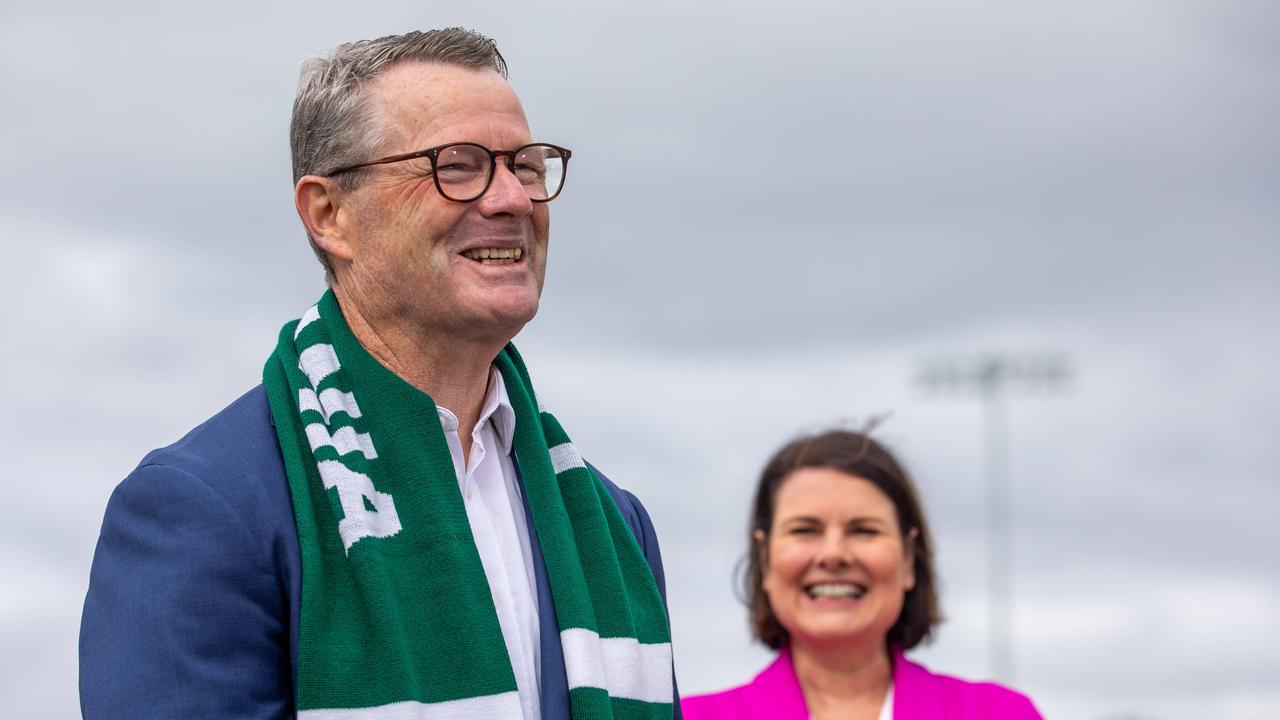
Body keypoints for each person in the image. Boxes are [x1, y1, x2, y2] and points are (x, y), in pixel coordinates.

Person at [80, 28, 677, 720]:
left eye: (529, 165)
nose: (513, 198)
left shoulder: (612, 523)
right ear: (329, 214)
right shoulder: (205, 506)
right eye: (459, 165)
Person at [681, 430, 1040, 720]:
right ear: (765, 560)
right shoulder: (688, 718)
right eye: (805, 530)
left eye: (864, 530)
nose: (833, 554)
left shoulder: (1001, 713)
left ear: (908, 560)